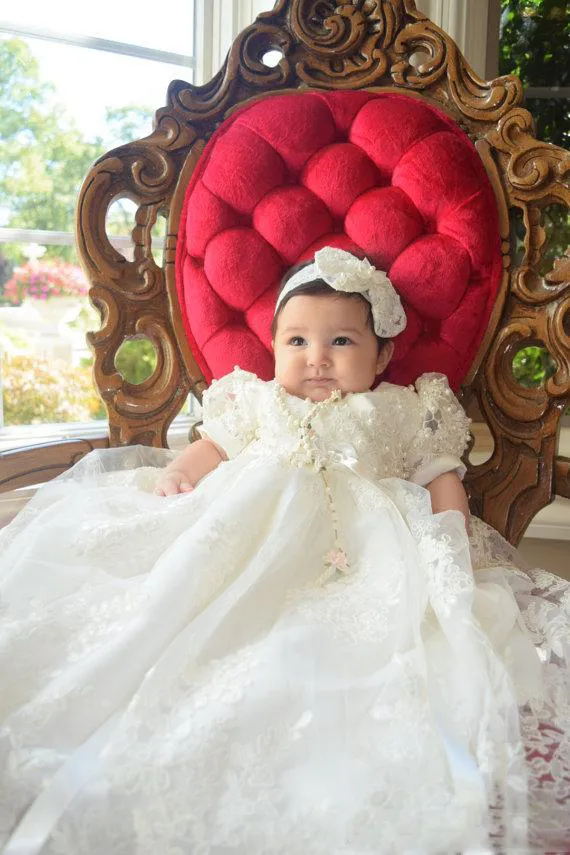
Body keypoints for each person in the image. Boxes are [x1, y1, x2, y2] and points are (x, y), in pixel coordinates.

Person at [0, 247, 568, 854]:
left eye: (342, 343)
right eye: (296, 341)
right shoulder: (258, 402)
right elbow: (211, 449)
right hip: (245, 528)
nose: (316, 359)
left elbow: (439, 476)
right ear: (274, 349)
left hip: (365, 543)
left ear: (382, 356)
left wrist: (450, 533)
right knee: (179, 592)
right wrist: (180, 477)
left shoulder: (402, 408)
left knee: (348, 634)